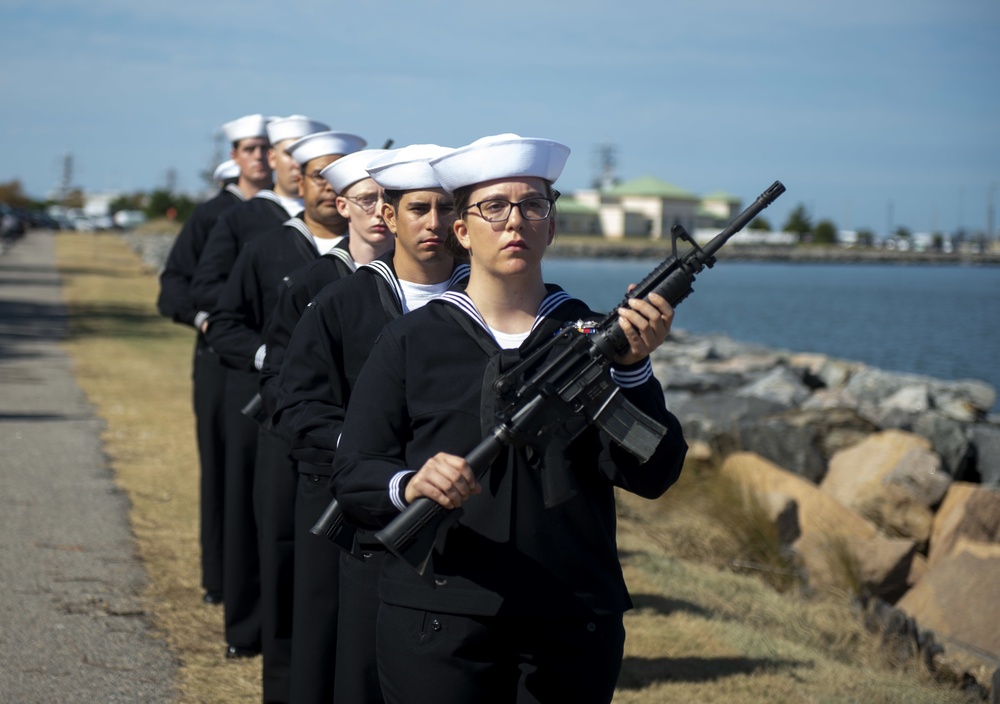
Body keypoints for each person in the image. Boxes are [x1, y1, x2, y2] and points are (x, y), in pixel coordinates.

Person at [330, 134, 687, 704]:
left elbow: (655, 472)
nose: (514, 220)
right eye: (493, 207)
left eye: (533, 205)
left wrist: (634, 372)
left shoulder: (595, 340)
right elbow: (353, 473)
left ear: (553, 224)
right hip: (436, 614)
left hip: (571, 617)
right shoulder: (411, 340)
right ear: (462, 231)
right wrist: (409, 484)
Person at [274, 144, 468, 704]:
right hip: (366, 520)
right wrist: (367, 451)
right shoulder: (342, 302)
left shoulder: (485, 303)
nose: (435, 223)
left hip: (462, 519)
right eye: (418, 209)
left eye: (448, 208)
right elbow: (296, 406)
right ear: (387, 215)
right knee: (357, 670)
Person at [206, 129, 366, 701]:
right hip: (283, 425)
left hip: (351, 439)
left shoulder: (376, 266)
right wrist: (275, 359)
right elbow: (223, 322)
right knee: (283, 551)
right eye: (319, 175)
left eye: (341, 176)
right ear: (300, 181)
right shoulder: (270, 249)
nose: (329, 186)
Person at [194, 114, 332, 665]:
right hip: (255, 390)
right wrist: (264, 357)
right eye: (286, 153)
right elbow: (205, 296)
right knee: (256, 512)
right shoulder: (239, 221)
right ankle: (249, 625)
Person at [155, 113, 271, 606]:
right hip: (219, 363)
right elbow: (173, 288)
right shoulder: (210, 216)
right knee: (223, 470)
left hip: (272, 362)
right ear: (235, 157)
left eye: (268, 148)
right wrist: (207, 321)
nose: (260, 157)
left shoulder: (284, 215)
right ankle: (219, 581)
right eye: (251, 149)